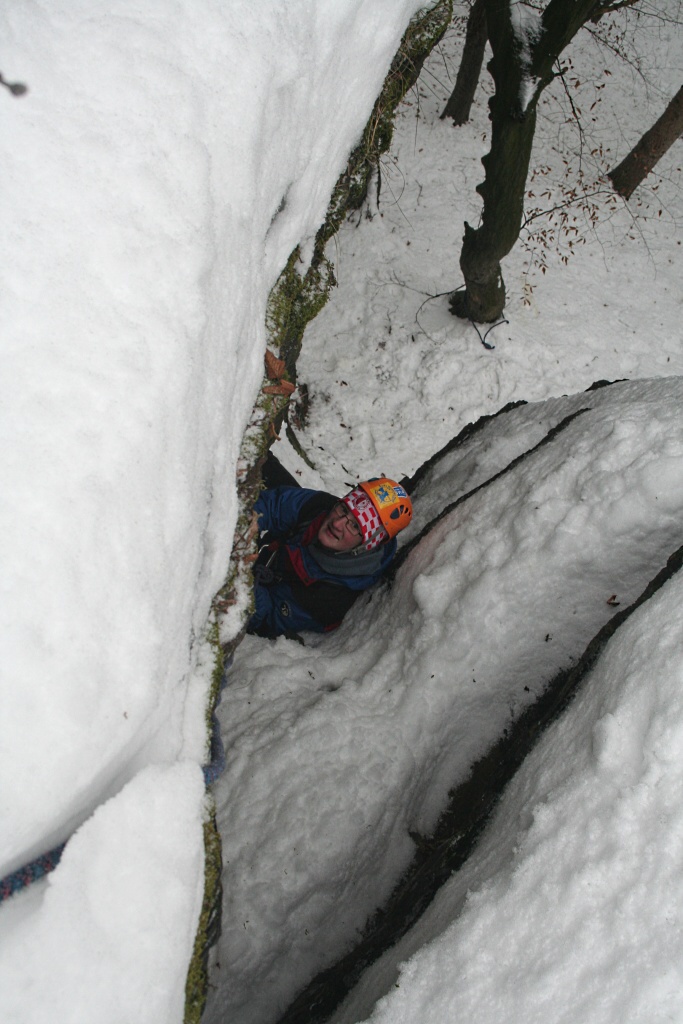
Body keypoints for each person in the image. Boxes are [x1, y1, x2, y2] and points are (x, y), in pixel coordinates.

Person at [246, 461, 413, 639]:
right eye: (343, 509)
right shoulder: (321, 507)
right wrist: (246, 526)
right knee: (261, 462)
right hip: (272, 549)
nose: (337, 523)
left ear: (367, 545)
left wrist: (242, 577)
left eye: (354, 526)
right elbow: (275, 505)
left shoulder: (330, 597)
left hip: (267, 585)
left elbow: (267, 617)